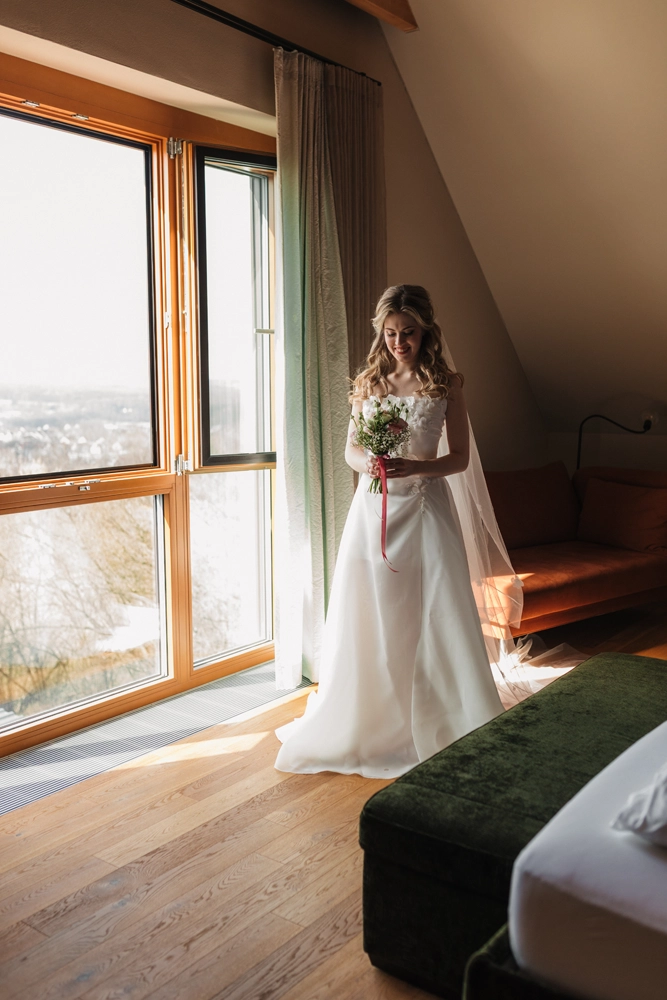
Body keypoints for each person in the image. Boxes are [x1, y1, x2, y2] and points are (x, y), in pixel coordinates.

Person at [274, 284, 505, 778]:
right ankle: (372, 716)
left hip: (424, 513)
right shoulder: (369, 382)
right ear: (382, 333)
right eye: (391, 332)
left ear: (427, 332)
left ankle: (439, 714)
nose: (399, 341)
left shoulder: (446, 384)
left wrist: (411, 468)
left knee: (429, 611)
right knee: (373, 612)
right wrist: (373, 465)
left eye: (409, 332)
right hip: (372, 511)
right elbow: (351, 451)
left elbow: (459, 459)